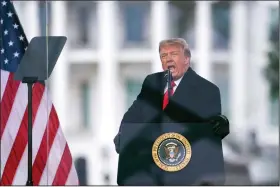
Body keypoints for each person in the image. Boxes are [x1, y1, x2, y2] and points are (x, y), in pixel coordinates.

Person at [114, 38, 229, 185]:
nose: (168, 59)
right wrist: (123, 134)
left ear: (186, 59)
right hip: (150, 172)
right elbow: (134, 113)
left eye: (173, 54)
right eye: (163, 56)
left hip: (186, 174)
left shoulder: (207, 90)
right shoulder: (151, 82)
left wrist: (221, 125)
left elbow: (211, 129)